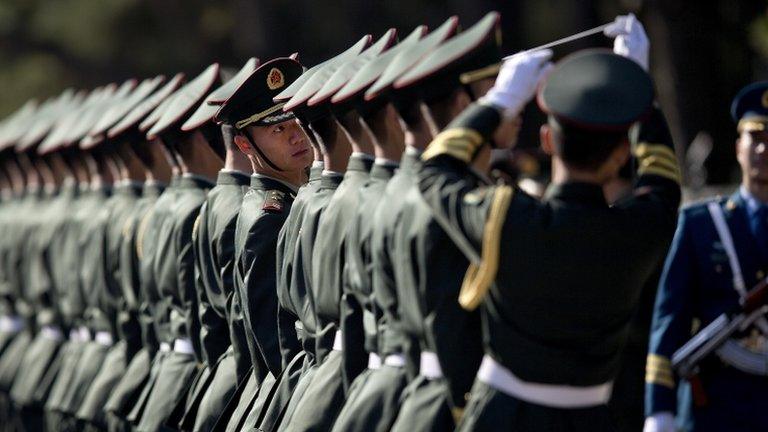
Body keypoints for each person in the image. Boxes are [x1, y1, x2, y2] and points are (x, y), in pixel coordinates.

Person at [415, 14, 681, 431]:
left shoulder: (508, 218)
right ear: (618, 158)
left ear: (547, 140)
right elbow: (663, 179)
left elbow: (434, 169)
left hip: (502, 416)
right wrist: (638, 93)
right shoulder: (639, 230)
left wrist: (500, 102)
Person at [644, 81, 768, 432]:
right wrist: (659, 409)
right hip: (715, 404)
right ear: (738, 148)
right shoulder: (701, 223)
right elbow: (670, 320)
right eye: (754, 137)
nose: (762, 148)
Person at [212, 56, 314, 432]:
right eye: (276, 129)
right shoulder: (270, 218)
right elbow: (279, 345)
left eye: (295, 122)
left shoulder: (283, 204)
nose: (295, 136)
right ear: (244, 143)